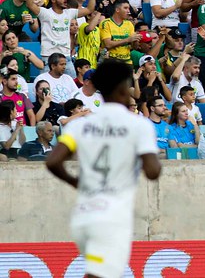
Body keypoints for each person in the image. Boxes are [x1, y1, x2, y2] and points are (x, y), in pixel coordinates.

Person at [44, 60, 161, 278]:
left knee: (96, 274)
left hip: (83, 217)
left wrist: (77, 182)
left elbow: (53, 161)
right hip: (111, 218)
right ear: (123, 88)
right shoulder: (138, 125)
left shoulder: (81, 125)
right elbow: (153, 171)